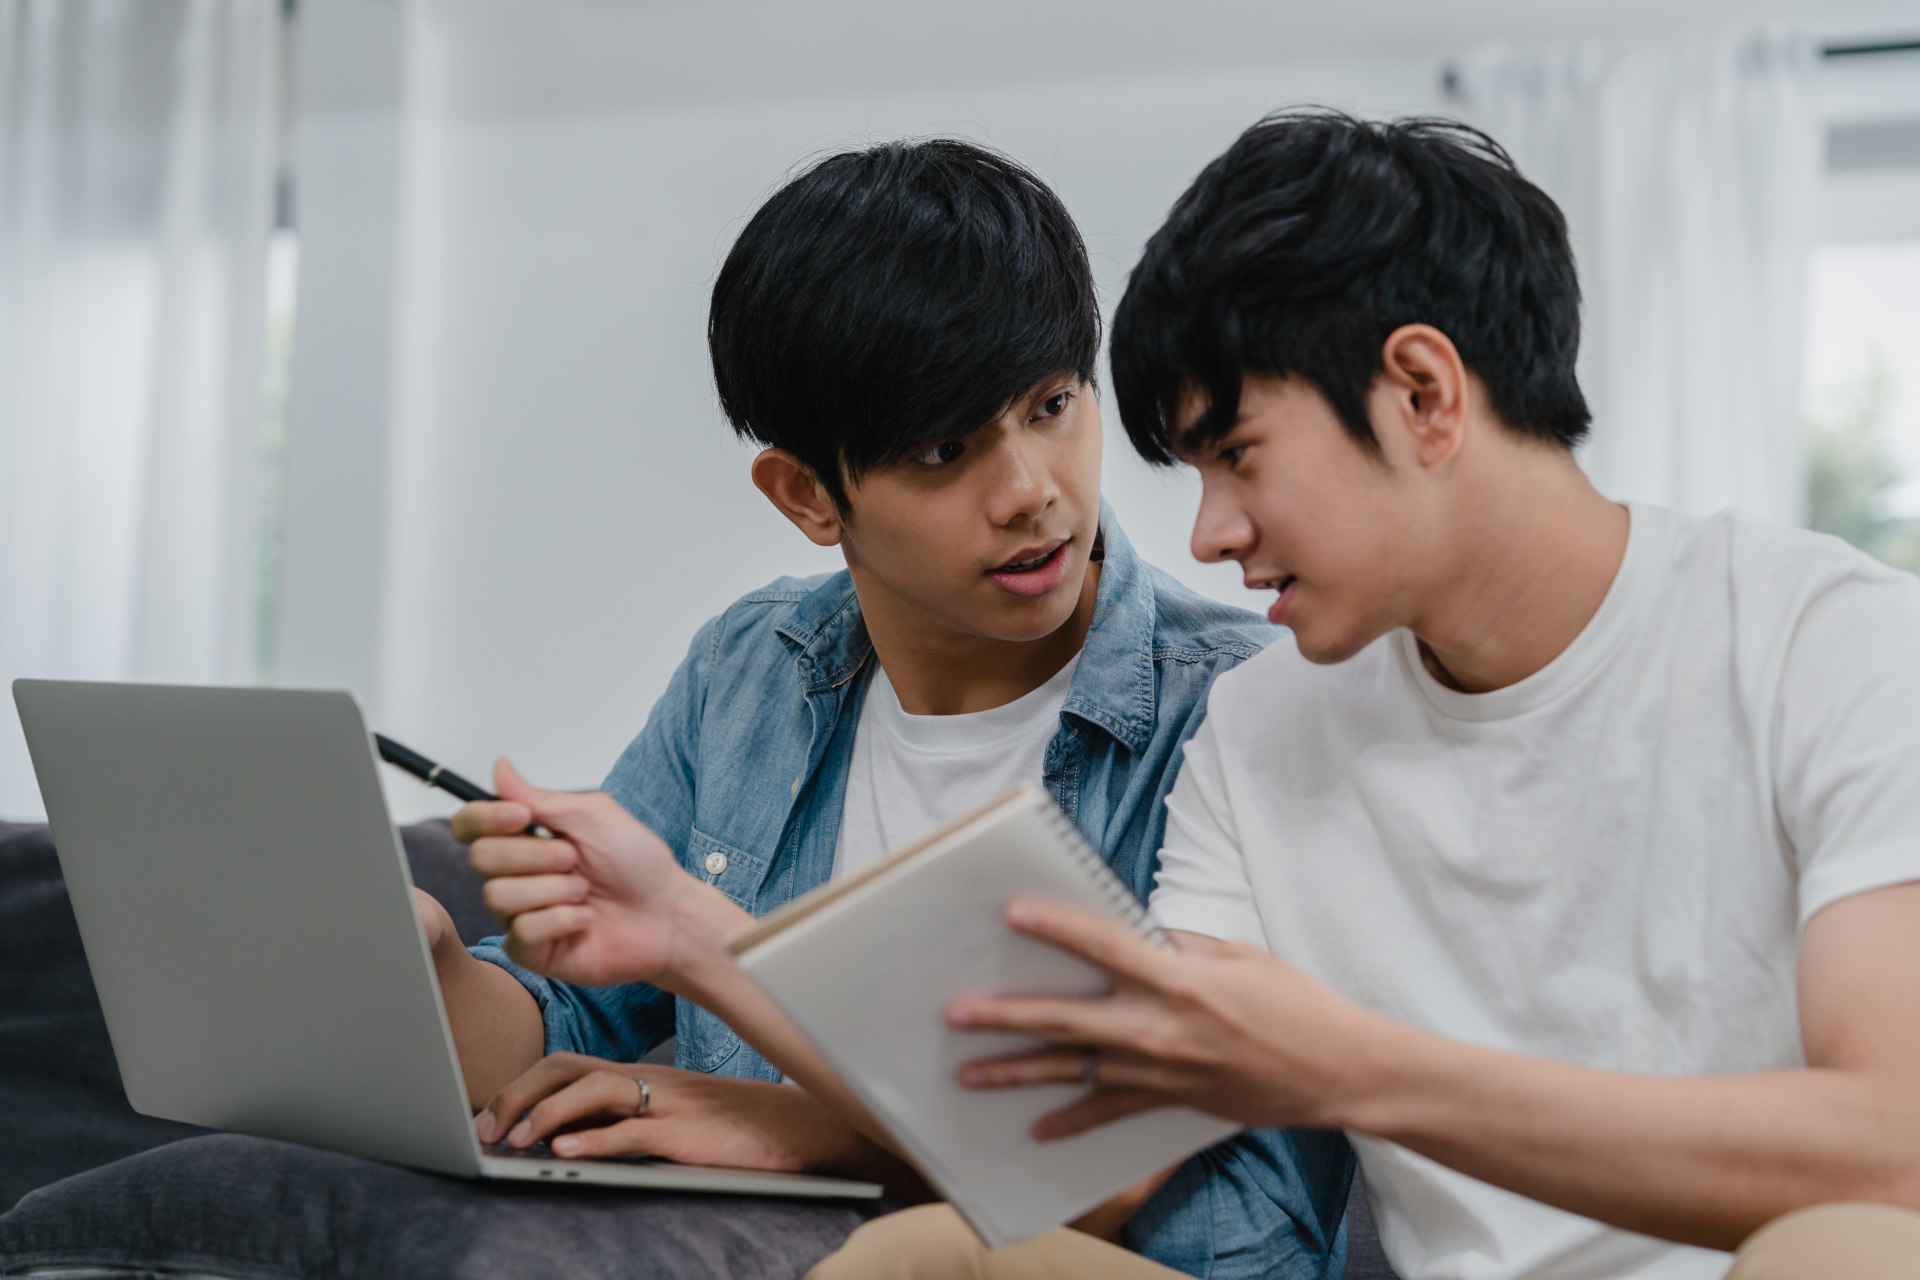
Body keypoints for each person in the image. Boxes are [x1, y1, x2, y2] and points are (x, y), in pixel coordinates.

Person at [806, 113, 1920, 1278]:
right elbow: (1103, 1164)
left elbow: (1897, 1154)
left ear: (1423, 394)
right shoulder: (1256, 725)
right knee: (930, 1259)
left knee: (1848, 1249)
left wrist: (1355, 1064)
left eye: (1237, 454)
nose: (1209, 533)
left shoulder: (1824, 641)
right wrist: (716, 953)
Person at [414, 138, 1353, 1278]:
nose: (1031, 491)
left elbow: (1122, 1178)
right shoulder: (753, 665)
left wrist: (796, 1118)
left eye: (1054, 403)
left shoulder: (1239, 702)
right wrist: (432, 980)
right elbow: (569, 1018)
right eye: (946, 449)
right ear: (809, 493)